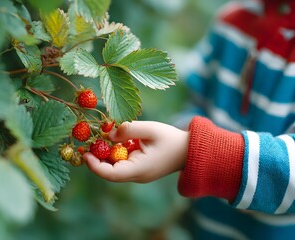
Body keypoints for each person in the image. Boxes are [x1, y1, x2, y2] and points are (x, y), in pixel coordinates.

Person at [83, 0, 295, 239]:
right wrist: (175, 138)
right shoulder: (233, 19)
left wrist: (190, 150)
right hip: (206, 227)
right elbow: (197, 101)